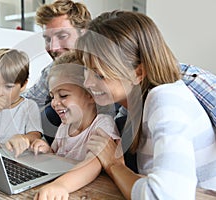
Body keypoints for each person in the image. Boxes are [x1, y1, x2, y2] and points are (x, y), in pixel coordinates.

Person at [76, 10, 216, 200]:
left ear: (138, 73)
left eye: (100, 75)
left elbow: (165, 196)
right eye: (86, 69)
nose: (87, 83)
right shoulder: (134, 108)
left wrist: (115, 166)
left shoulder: (167, 100)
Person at [32, 52, 119, 198]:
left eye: (63, 95)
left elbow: (93, 164)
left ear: (91, 95)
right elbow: (55, 156)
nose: (54, 103)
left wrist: (61, 185)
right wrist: (46, 150)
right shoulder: (64, 127)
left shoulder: (103, 125)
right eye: (52, 96)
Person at [22, 0, 91, 108]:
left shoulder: (104, 68)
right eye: (48, 39)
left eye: (62, 36)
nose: (53, 48)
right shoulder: (52, 70)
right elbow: (27, 104)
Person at [0, 48, 43, 157]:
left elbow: (35, 134)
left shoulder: (28, 106)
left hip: (15, 158)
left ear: (23, 85)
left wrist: (24, 138)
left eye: (8, 86)